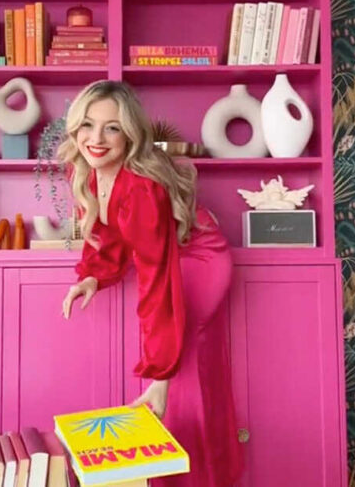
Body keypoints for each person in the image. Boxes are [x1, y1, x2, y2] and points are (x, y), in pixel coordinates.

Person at [59, 80, 242, 487]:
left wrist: (160, 378)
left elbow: (157, 281)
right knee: (180, 373)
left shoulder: (142, 188)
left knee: (180, 376)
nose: (97, 138)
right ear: (75, 129)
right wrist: (93, 276)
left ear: (131, 133)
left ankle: (192, 477)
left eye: (112, 128)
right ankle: (176, 473)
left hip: (198, 259)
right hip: (169, 256)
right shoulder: (87, 170)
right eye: (88, 125)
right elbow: (109, 235)